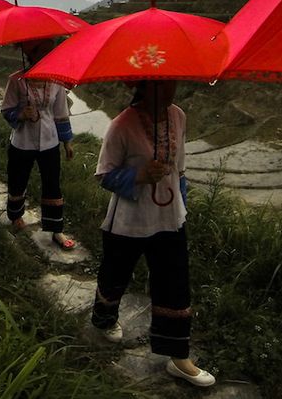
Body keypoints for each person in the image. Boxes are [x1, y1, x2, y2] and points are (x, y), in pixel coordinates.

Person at [91, 79, 215, 389]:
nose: (170, 89)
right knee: (115, 272)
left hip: (169, 217)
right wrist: (139, 175)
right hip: (130, 220)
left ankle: (178, 355)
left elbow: (180, 170)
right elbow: (104, 175)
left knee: (174, 282)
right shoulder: (122, 125)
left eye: (172, 81)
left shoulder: (179, 116)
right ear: (144, 86)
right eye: (161, 83)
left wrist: (181, 208)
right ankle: (104, 319)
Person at [0, 38, 76, 249]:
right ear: (31, 53)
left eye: (48, 51)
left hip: (49, 140)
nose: (46, 55)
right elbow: (6, 110)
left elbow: (61, 113)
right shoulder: (16, 80)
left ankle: (56, 229)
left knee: (52, 183)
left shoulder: (56, 80)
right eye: (42, 50)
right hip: (22, 141)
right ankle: (15, 215)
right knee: (18, 179)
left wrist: (67, 142)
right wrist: (21, 114)